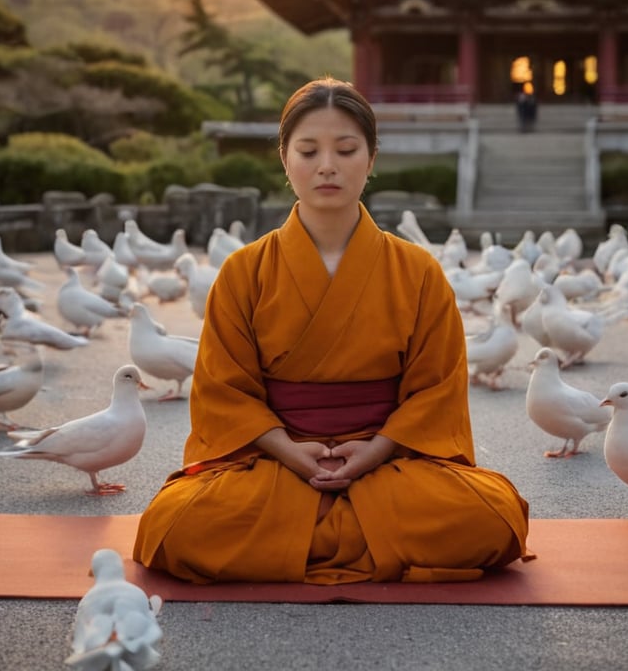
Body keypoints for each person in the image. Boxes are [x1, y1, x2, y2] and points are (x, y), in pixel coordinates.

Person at [133, 77, 530, 584]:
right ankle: (365, 535)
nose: (327, 165)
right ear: (284, 159)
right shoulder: (243, 271)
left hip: (389, 460)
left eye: (346, 149)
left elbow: (436, 390)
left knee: (491, 518)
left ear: (371, 158)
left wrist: (376, 451)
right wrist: (290, 453)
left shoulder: (418, 271)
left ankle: (299, 539)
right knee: (174, 525)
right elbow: (224, 392)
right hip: (274, 460)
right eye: (308, 150)